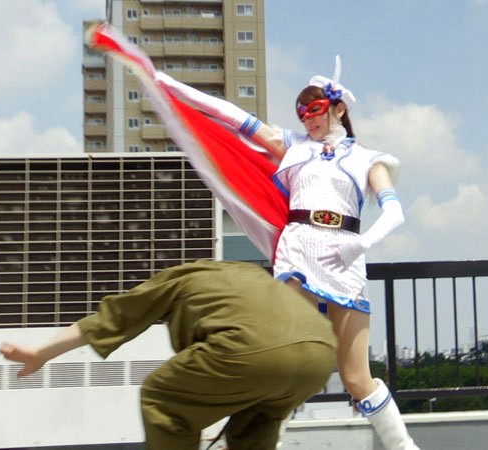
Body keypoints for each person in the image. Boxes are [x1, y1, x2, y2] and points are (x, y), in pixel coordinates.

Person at [155, 57, 418, 450]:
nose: (307, 119)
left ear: (338, 109)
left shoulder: (368, 158)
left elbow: (394, 211)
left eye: (315, 110)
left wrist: (361, 243)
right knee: (280, 359)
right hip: (297, 252)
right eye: (302, 112)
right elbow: (233, 116)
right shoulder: (291, 146)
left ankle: (403, 447)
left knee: (356, 377)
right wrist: (173, 87)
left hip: (344, 256)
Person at [0, 260, 337, 450]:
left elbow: (114, 318)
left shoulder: (179, 279)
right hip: (320, 353)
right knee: (256, 423)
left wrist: (41, 352)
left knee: (162, 398)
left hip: (250, 350)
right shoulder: (248, 275)